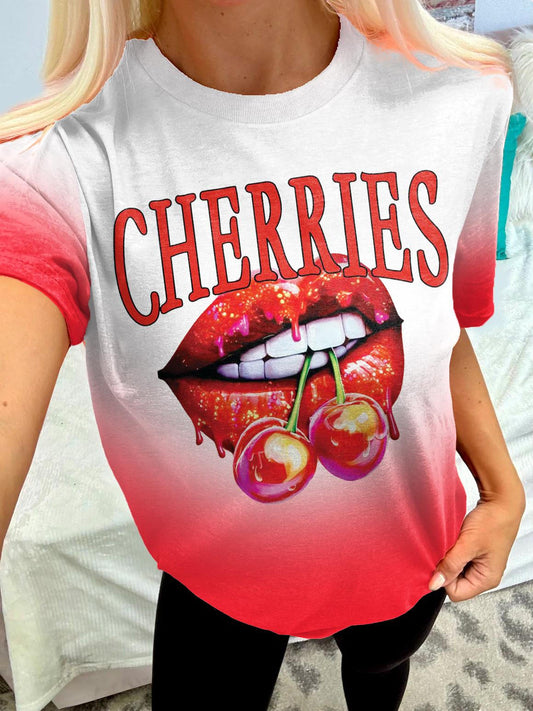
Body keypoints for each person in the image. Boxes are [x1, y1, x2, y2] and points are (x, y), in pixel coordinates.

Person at [0, 1, 527, 709]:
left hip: (412, 554)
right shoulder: (50, 164)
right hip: (212, 585)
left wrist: (501, 485)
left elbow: (433, 332)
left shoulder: (464, 96)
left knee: (380, 672)